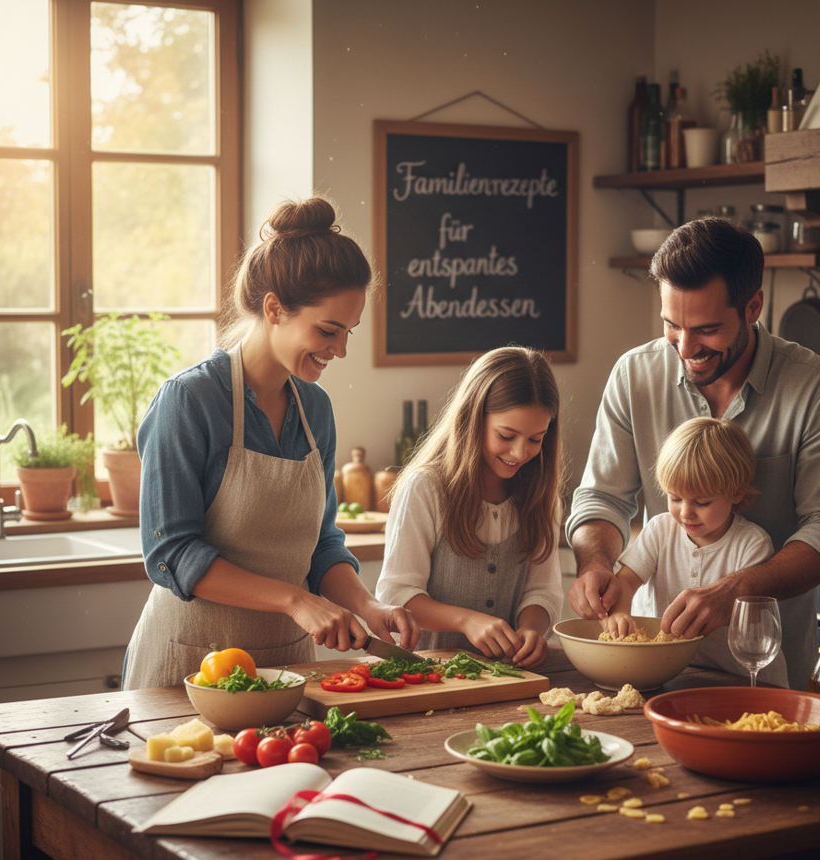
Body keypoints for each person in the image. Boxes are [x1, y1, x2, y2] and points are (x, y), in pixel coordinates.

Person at [122, 197, 419, 690]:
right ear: (275, 308)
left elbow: (321, 544)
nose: (341, 350)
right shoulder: (190, 401)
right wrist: (295, 600)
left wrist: (368, 606)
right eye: (328, 330)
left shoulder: (315, 410)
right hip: (189, 664)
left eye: (348, 332)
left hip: (287, 667)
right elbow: (171, 551)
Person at [566, 217, 820, 690]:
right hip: (658, 671)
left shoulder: (818, 389)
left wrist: (737, 591)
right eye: (671, 325)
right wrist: (596, 565)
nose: (685, 348)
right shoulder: (634, 375)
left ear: (753, 307)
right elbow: (602, 498)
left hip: (766, 673)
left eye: (706, 329)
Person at [375, 347, 567, 669]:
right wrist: (466, 620)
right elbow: (397, 594)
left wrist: (531, 630)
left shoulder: (541, 497)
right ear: (472, 418)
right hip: (427, 675)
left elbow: (543, 591)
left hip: (507, 677)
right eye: (506, 435)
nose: (520, 453)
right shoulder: (426, 488)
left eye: (536, 439)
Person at [602, 417, 787, 687]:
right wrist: (620, 613)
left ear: (736, 493)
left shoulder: (752, 544)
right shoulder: (660, 530)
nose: (685, 512)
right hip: (671, 675)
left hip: (739, 680)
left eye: (702, 502)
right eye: (675, 498)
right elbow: (627, 581)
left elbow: (753, 619)